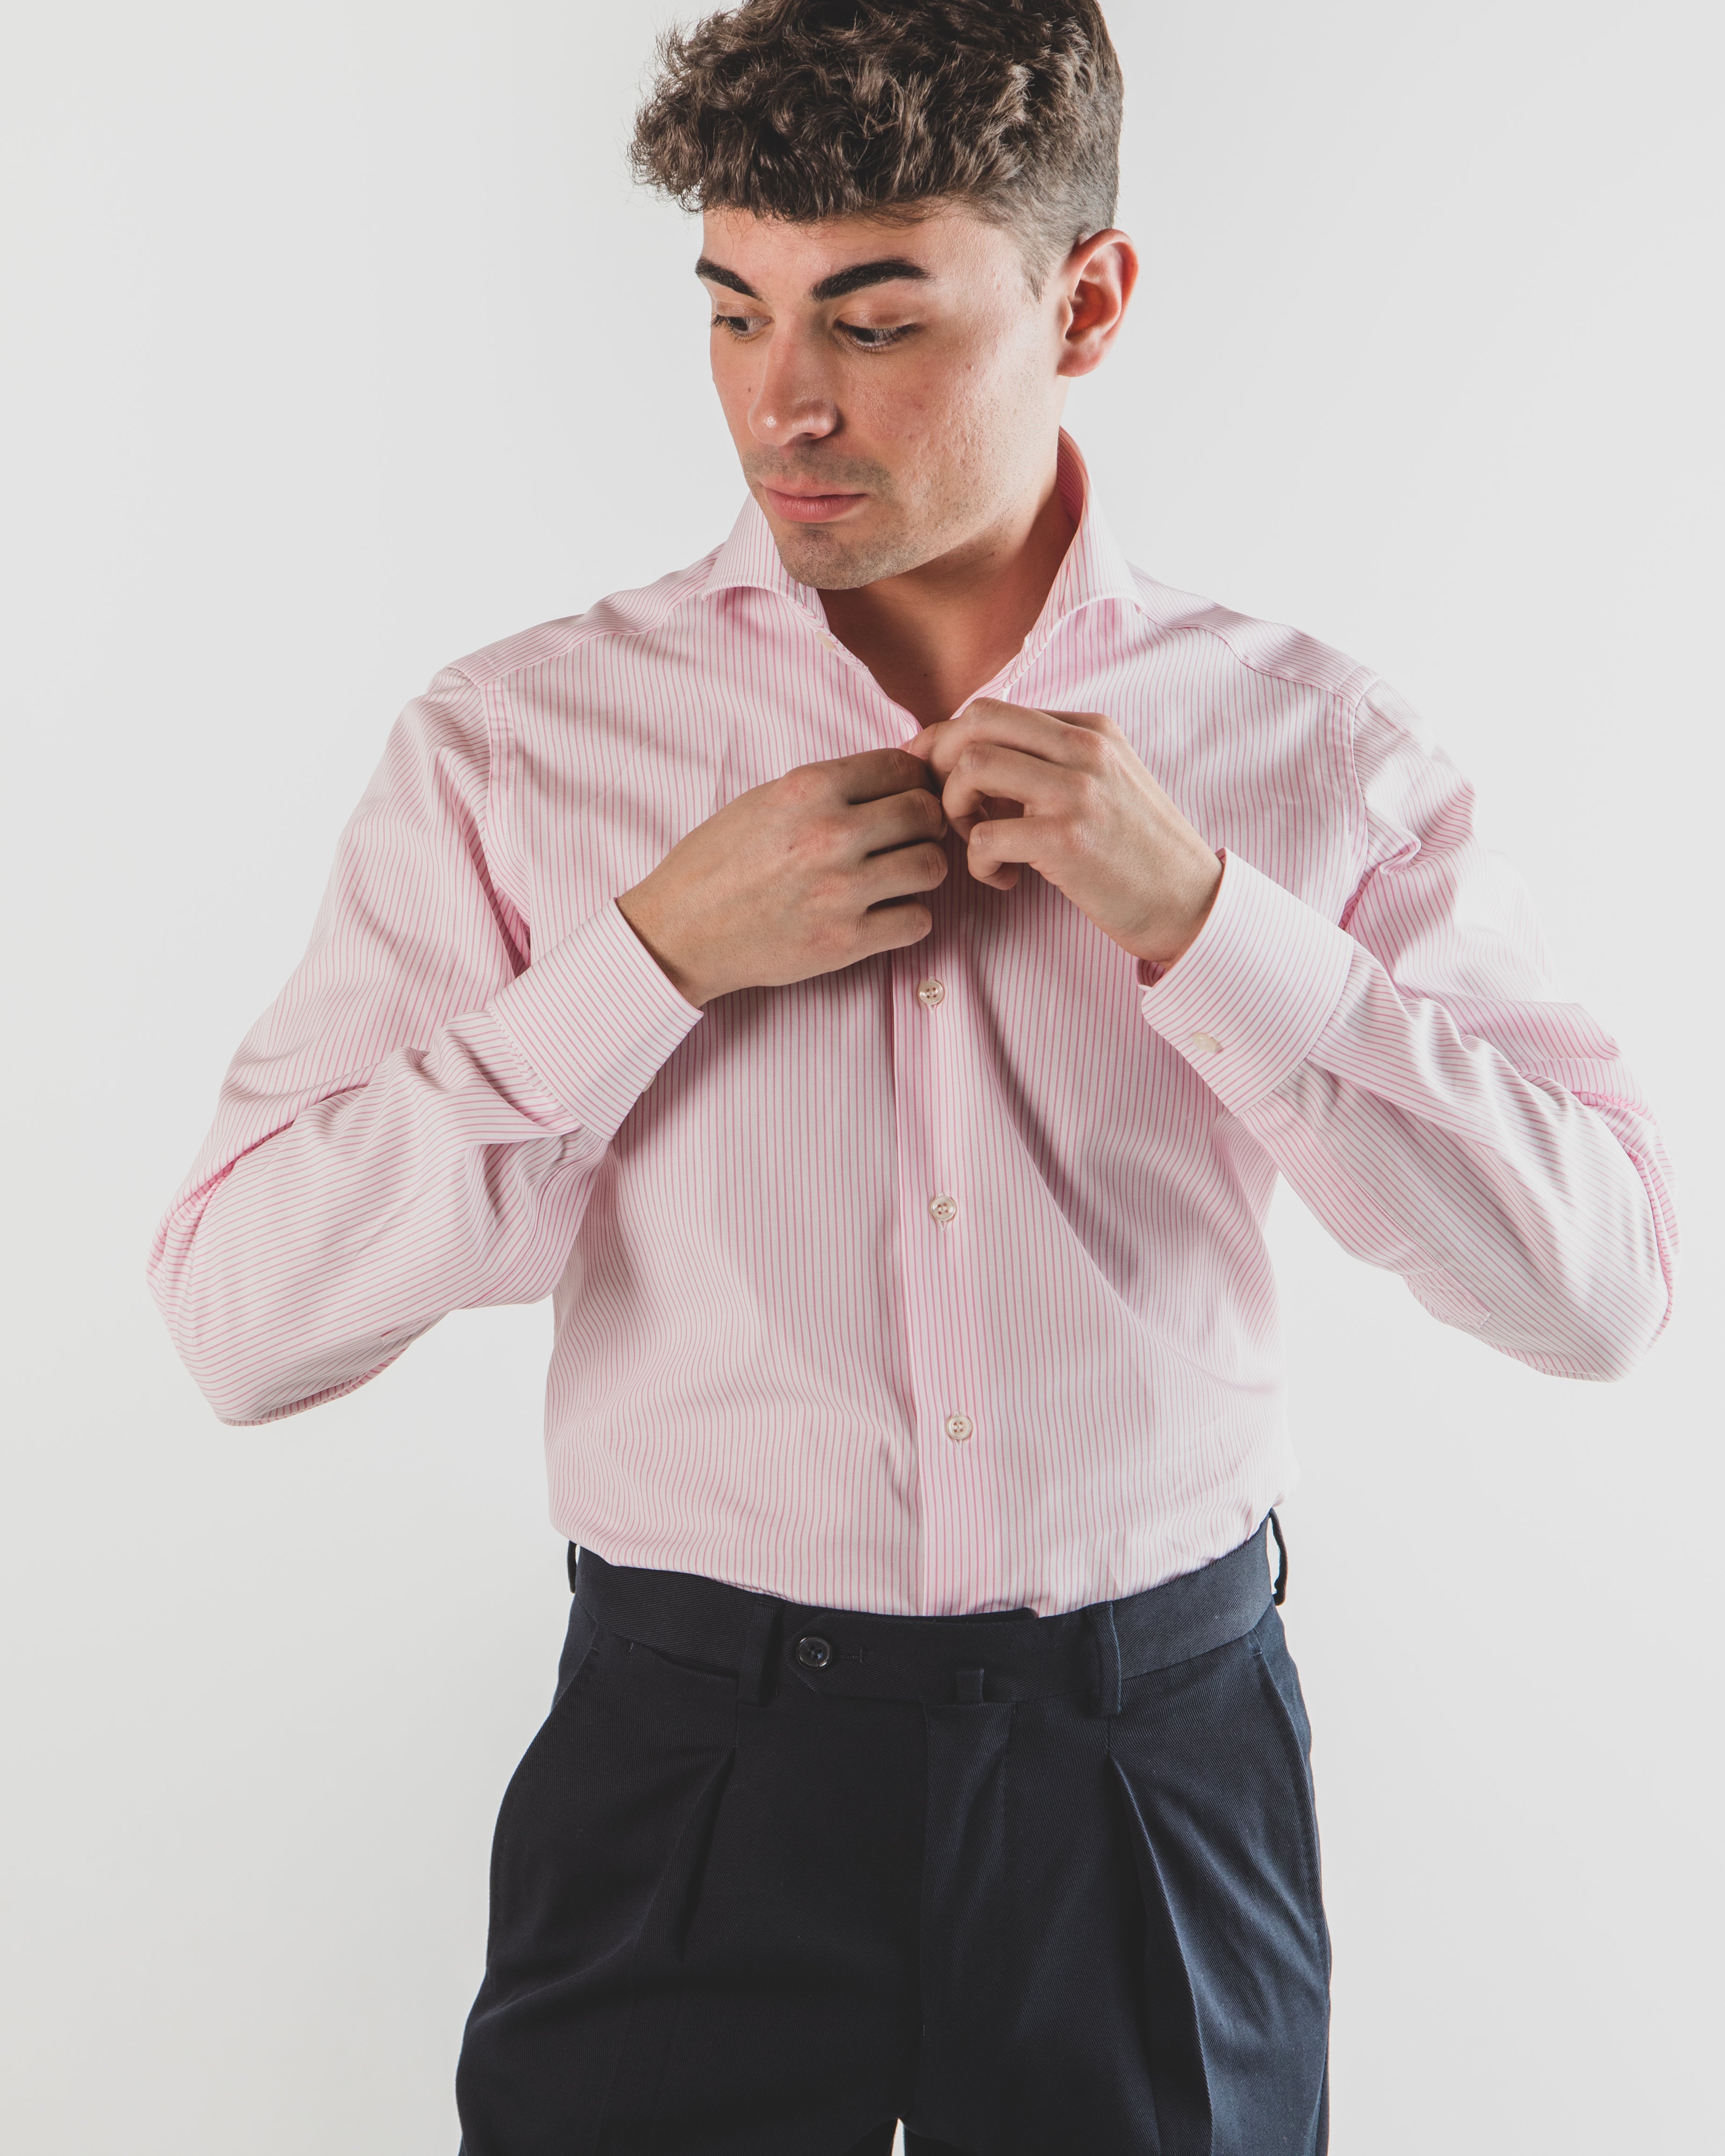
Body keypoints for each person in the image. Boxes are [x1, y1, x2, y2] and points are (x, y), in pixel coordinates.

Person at [149, 3, 1677, 2151]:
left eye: (874, 322)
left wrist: (1209, 925)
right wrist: (646, 960)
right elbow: (241, 1319)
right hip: (689, 1772)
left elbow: (1598, 1287)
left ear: (1085, 303)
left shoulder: (1308, 750)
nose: (781, 401)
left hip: (1150, 1778)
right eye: (733, 309)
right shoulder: (512, 748)